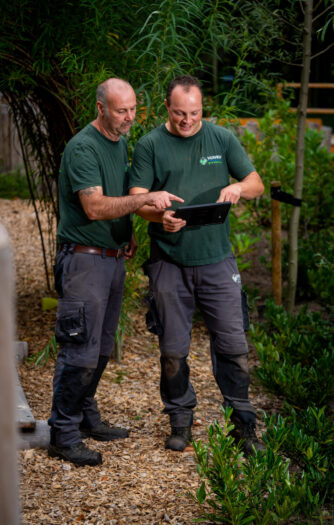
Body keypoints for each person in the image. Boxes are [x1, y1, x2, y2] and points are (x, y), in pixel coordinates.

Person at [48, 78, 183, 466]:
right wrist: (143, 198)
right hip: (83, 261)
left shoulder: (118, 142)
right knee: (80, 349)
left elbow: (119, 199)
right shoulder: (82, 148)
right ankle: (64, 432)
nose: (129, 118)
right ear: (100, 109)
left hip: (112, 257)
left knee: (102, 347)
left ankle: (86, 416)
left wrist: (138, 227)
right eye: (121, 110)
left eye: (134, 109)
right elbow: (94, 207)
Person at [129, 75, 265, 455]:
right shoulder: (150, 144)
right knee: (173, 350)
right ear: (166, 109)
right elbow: (136, 200)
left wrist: (238, 188)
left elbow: (257, 183)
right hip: (169, 261)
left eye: (194, 113)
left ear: (203, 109)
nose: (187, 120)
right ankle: (180, 420)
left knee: (234, 345)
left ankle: (243, 425)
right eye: (179, 114)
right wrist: (160, 219)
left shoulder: (221, 139)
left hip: (218, 260)